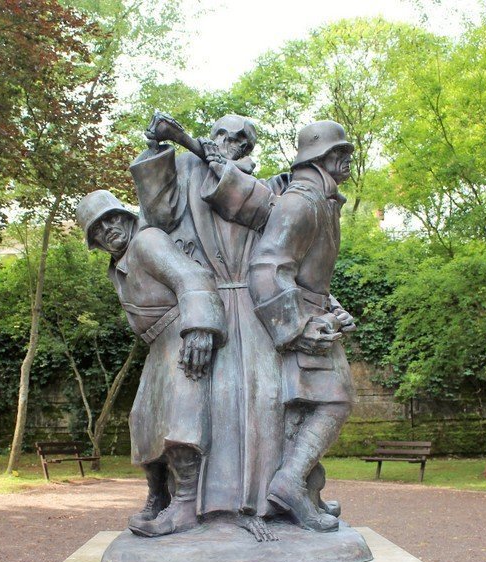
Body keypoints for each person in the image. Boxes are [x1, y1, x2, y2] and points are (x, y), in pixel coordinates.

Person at [129, 113, 289, 535]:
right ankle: (192, 507)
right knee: (204, 405)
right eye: (221, 134)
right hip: (202, 307)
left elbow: (265, 219)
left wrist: (215, 161)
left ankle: (264, 504)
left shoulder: (266, 187)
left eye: (240, 139)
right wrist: (160, 149)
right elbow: (157, 212)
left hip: (250, 310)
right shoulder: (184, 172)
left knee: (261, 403)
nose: (228, 142)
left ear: (248, 149)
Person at [75, 190, 227, 537]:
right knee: (143, 420)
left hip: (181, 334)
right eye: (98, 228)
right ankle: (159, 496)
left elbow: (192, 278)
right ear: (94, 241)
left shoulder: (148, 241)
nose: (108, 229)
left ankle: (185, 504)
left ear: (127, 217)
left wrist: (200, 328)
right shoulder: (118, 265)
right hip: (158, 346)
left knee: (180, 418)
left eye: (112, 218)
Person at [248, 121, 358, 532]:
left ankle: (299, 490)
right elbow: (267, 268)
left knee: (314, 407)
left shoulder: (323, 200)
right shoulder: (301, 202)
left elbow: (311, 273)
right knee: (333, 401)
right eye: (339, 153)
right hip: (297, 325)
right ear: (321, 158)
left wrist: (333, 305)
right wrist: (297, 327)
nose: (347, 160)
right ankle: (290, 485)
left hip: (314, 317)